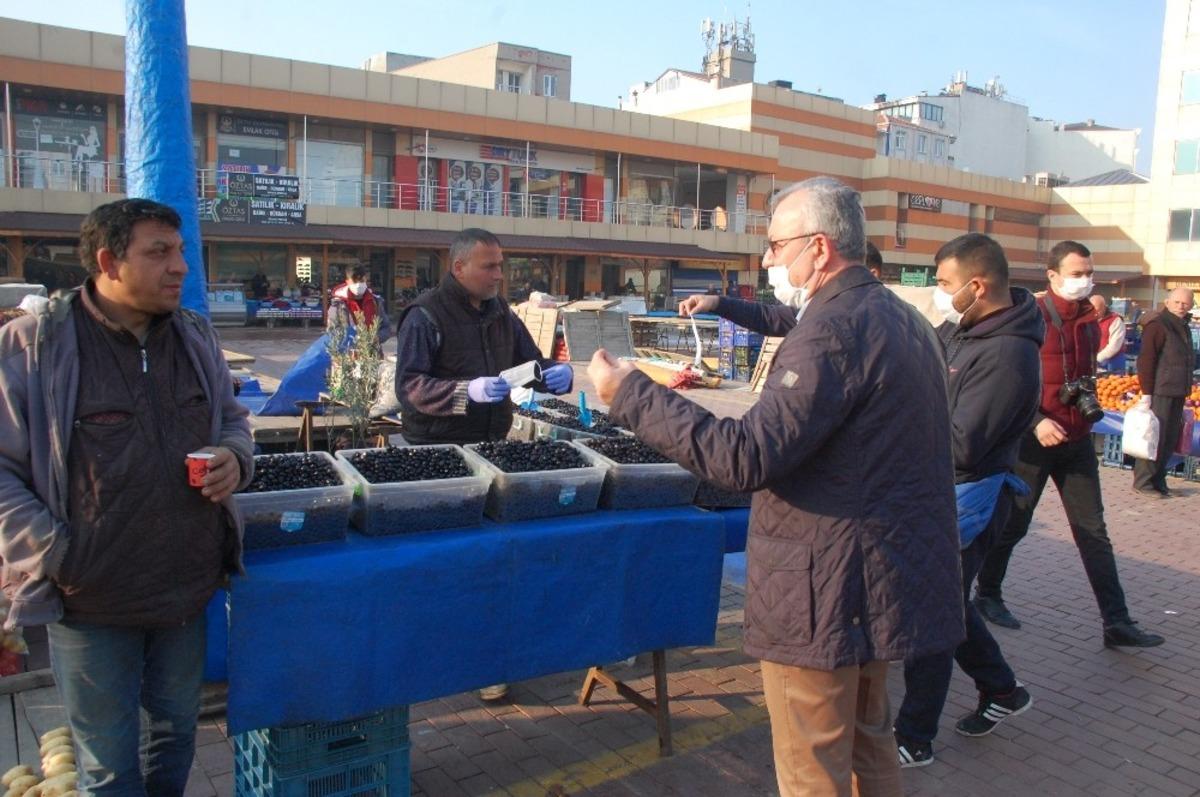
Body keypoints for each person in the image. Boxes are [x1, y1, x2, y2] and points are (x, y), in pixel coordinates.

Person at [588, 177, 963, 796]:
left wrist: (629, 394)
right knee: (869, 745)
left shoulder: (832, 331)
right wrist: (726, 310)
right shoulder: (898, 318)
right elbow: (793, 330)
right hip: (877, 580)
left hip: (826, 589)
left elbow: (744, 458)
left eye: (776, 245)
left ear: (819, 247)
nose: (768, 261)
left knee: (811, 768)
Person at [0, 198, 254, 795]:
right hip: (90, 599)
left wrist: (233, 458)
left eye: (182, 251)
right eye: (159, 252)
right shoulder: (34, 348)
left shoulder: (194, 337)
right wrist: (56, 552)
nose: (181, 267)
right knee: (109, 765)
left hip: (185, 590)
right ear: (110, 261)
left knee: (175, 740)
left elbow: (233, 420)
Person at [394, 228, 575, 700]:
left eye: (501, 265)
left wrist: (552, 376)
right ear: (459, 268)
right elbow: (409, 386)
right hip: (438, 453)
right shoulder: (425, 316)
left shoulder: (501, 315)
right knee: (445, 559)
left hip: (493, 447)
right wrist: (463, 391)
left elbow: (528, 365)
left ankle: (486, 657)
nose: (499, 275)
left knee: (492, 555)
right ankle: (434, 649)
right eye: (489, 266)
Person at [893, 234, 1043, 769]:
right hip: (940, 493)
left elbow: (962, 445)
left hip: (971, 498)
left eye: (946, 284)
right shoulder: (964, 329)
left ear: (977, 286)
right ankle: (1002, 689)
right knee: (949, 606)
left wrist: (896, 429)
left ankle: (913, 735)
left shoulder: (1009, 355)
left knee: (932, 614)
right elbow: (912, 347)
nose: (940, 294)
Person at [973, 241, 1165, 649]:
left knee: (1093, 532)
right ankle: (986, 593)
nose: (1085, 280)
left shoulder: (1090, 319)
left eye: (1089, 272)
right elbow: (1007, 381)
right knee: (1013, 524)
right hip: (1034, 439)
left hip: (1076, 441)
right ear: (1053, 276)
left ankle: (1116, 622)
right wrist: (1036, 420)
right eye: (1077, 273)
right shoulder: (1029, 317)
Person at [1132, 287, 1196, 497]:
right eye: (1177, 302)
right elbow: (1147, 360)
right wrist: (1147, 392)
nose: (1181, 306)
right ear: (1167, 303)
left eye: (1185, 303)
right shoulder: (1158, 326)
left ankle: (1159, 480)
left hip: (1178, 390)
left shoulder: (1184, 327)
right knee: (1154, 437)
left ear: (1192, 305)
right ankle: (1144, 482)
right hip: (1160, 390)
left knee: (1169, 439)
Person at [328, 265, 393, 346]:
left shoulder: (375, 301)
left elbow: (386, 328)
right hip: (347, 354)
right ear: (347, 282)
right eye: (354, 281)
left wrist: (377, 338)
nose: (358, 284)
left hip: (372, 354)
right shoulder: (338, 304)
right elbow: (332, 332)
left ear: (366, 279)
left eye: (361, 280)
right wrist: (351, 340)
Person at [1090, 294, 1127, 373]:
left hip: (1113, 362)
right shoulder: (1089, 320)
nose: (1095, 313)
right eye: (1092, 310)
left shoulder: (1115, 320)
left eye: (1098, 310)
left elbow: (1114, 346)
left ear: (1104, 307)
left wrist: (1096, 359)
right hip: (1094, 361)